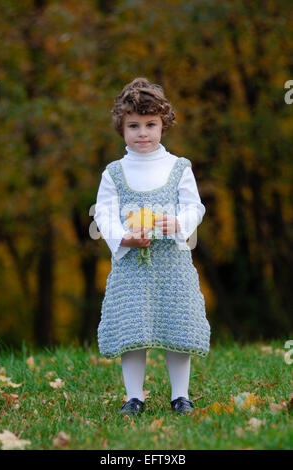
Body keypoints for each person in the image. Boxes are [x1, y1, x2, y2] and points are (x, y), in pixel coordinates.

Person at [93, 77, 211, 416]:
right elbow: (104, 212)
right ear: (122, 128)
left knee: (179, 325)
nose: (142, 133)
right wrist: (123, 237)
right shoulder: (115, 172)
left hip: (172, 262)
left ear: (163, 125)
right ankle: (134, 396)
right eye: (133, 125)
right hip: (132, 265)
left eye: (150, 124)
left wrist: (178, 223)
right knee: (134, 329)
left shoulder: (178, 167)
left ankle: (181, 395)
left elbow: (194, 207)